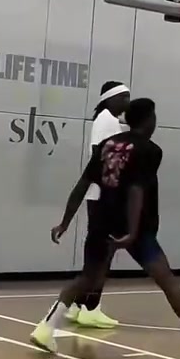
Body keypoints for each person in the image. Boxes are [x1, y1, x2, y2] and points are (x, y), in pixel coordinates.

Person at [30, 98, 180, 359]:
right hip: (136, 228)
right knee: (167, 280)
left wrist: (65, 222)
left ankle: (46, 328)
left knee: (88, 278)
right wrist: (132, 232)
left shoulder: (107, 145)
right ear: (148, 120)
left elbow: (83, 183)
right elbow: (137, 189)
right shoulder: (150, 150)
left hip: (102, 221)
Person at [66, 81, 130, 330]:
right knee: (103, 253)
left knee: (96, 252)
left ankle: (78, 305)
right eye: (124, 97)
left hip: (100, 194)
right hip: (104, 196)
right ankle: (91, 308)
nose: (127, 102)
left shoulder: (106, 120)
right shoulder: (108, 121)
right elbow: (101, 157)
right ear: (110, 99)